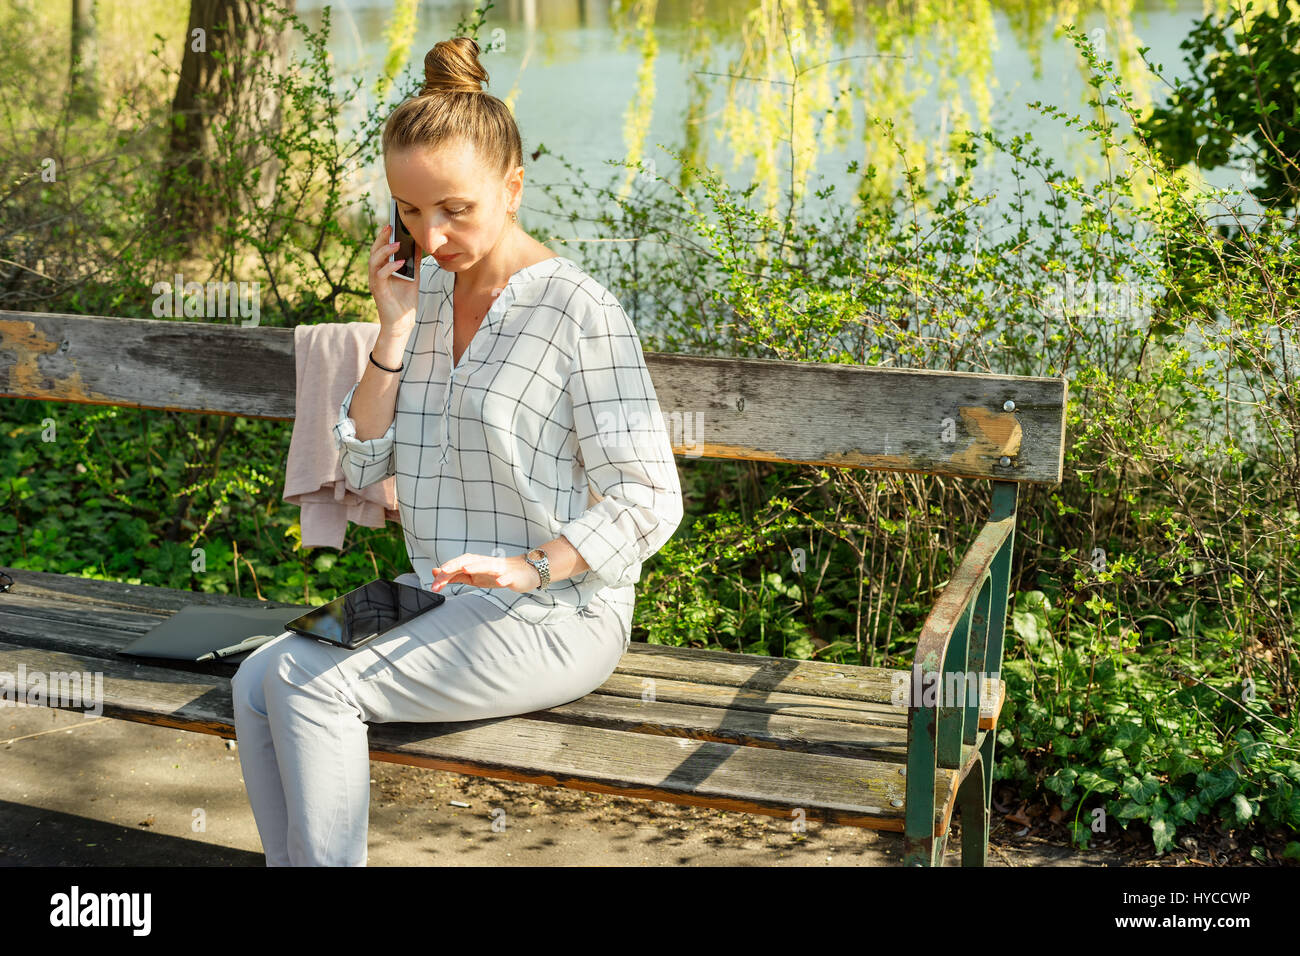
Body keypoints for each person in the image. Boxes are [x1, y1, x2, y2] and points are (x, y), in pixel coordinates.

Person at [230, 36, 684, 866]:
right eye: (408, 210)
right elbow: (365, 468)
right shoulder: (423, 298)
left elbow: (651, 499)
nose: (429, 234)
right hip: (438, 594)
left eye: (453, 209)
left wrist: (530, 566)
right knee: (256, 680)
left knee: (306, 686)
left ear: (512, 188)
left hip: (559, 614)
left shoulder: (580, 312)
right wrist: (393, 331)